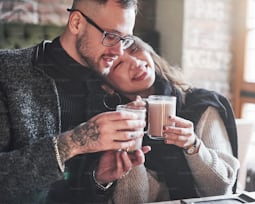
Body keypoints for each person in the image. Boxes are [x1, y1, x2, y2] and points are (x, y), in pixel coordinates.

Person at [0, 0, 151, 203]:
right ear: (77, 23)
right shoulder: (7, 71)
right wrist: (73, 143)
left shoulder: (109, 90)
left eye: (125, 40)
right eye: (111, 36)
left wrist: (98, 178)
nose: (118, 52)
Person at [99, 36, 240, 203]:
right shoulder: (108, 126)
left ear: (150, 52)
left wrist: (193, 146)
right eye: (119, 64)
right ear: (107, 86)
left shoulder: (202, 105)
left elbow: (221, 189)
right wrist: (132, 139)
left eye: (134, 49)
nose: (135, 62)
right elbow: (131, 200)